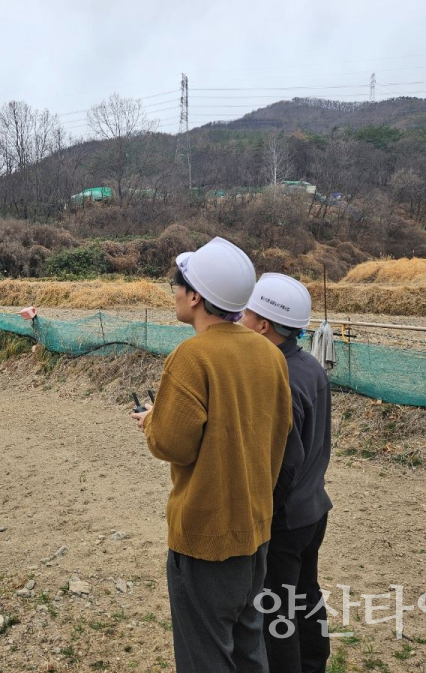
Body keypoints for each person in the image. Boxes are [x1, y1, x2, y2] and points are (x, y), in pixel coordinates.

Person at [131, 237, 293, 673]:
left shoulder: (192, 356)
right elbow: (277, 428)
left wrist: (152, 421)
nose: (174, 293)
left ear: (195, 297)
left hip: (206, 536)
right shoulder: (270, 354)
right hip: (254, 530)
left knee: (205, 656)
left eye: (177, 286)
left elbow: (172, 445)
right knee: (248, 648)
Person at [241, 273, 333, 673]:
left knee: (276, 613)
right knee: (305, 596)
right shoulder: (309, 365)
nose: (240, 319)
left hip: (286, 520)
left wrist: (265, 514)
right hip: (313, 509)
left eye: (246, 314)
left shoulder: (280, 378)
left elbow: (285, 462)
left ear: (263, 324)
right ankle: (315, 663)